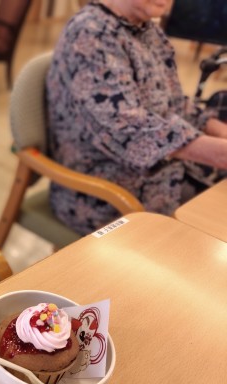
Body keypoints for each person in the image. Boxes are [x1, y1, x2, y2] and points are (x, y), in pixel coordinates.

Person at [46, 0, 227, 235]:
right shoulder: (91, 33)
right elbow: (129, 131)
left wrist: (218, 130)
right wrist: (219, 153)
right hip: (104, 194)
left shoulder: (146, 30)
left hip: (163, 176)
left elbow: (173, 103)